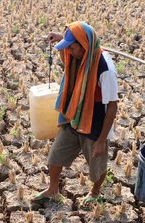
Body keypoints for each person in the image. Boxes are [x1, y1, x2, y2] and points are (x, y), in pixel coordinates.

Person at [32, 21, 119, 205]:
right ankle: (53, 189)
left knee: (97, 166)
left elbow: (112, 106)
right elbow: (71, 46)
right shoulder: (79, 55)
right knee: (55, 156)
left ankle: (95, 192)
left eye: (71, 48)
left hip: (95, 124)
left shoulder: (105, 68)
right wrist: (63, 39)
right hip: (74, 116)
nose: (68, 52)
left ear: (84, 45)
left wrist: (101, 140)